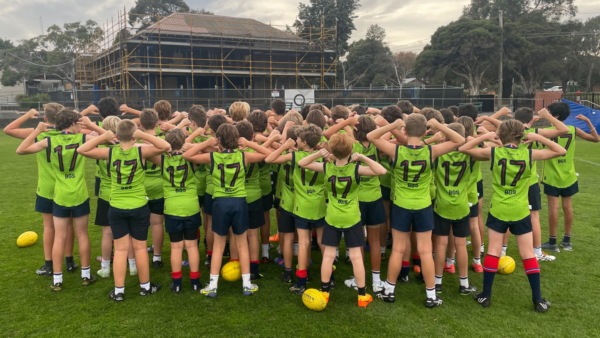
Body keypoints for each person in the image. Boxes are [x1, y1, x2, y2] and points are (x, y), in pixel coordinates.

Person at [460, 120, 566, 312]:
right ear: (521, 136)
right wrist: (538, 137)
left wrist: (484, 136)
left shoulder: (493, 152)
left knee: (493, 250)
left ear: (500, 135)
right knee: (527, 253)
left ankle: (486, 296)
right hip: (520, 210)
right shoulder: (529, 154)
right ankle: (538, 300)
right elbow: (561, 151)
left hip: (499, 209)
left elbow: (464, 149)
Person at [368, 114, 465, 308]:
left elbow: (371, 136)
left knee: (397, 249)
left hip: (402, 205)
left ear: (404, 131)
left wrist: (391, 125)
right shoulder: (431, 151)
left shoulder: (396, 150)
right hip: (423, 206)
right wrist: (439, 125)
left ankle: (390, 290)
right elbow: (460, 140)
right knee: (425, 251)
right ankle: (431, 295)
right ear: (424, 132)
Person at [77, 120, 170, 301]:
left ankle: (119, 291)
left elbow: (81, 150)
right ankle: (145, 287)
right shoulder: (140, 150)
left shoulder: (109, 153)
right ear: (134, 136)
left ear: (117, 136)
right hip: (138, 206)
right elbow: (165, 145)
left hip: (117, 206)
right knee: (140, 247)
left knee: (120, 250)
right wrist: (143, 136)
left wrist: (103, 137)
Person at [16, 111, 105, 291]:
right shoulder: (82, 138)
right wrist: (92, 124)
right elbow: (110, 138)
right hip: (79, 193)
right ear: (72, 123)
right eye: (78, 123)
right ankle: (86, 275)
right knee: (82, 235)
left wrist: (36, 130)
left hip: (60, 195)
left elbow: (21, 150)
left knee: (60, 237)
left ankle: (57, 279)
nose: (80, 125)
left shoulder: (49, 141)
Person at [299, 133, 387, 307]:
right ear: (351, 150)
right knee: (356, 257)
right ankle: (362, 295)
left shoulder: (327, 167)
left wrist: (319, 153)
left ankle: (325, 292)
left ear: (331, 150)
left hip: (332, 217)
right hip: (352, 217)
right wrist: (362, 157)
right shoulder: (356, 168)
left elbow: (302, 163)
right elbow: (381, 171)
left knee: (329, 255)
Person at [183, 124, 271, 298]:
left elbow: (187, 155)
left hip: (220, 203)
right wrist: (248, 143)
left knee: (218, 245)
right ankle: (247, 284)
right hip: (239, 202)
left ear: (219, 140)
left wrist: (207, 143)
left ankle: (213, 285)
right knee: (242, 244)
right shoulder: (244, 156)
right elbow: (268, 155)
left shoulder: (213, 157)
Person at [4, 104, 77, 276]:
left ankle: (49, 264)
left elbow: (8, 129)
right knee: (68, 225)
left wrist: (28, 115)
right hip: (67, 187)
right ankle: (70, 261)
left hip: (46, 188)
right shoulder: (73, 135)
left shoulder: (39, 135)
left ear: (45, 119)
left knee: (49, 226)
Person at [508, 107, 569, 261]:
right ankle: (536, 251)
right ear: (530, 120)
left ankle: (501, 251)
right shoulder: (535, 134)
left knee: (507, 215)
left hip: (510, 180)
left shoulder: (508, 133)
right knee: (534, 216)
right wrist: (547, 116)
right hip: (529, 181)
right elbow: (564, 129)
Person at [146, 129, 202, 294]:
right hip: (191, 205)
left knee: (176, 248)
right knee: (192, 246)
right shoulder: (191, 157)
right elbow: (211, 149)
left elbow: (145, 149)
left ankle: (177, 283)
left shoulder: (162, 160)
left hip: (172, 207)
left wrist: (162, 147)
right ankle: (195, 282)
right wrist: (191, 146)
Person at [541, 102, 599, 252]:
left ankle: (552, 242)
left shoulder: (546, 131)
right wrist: (587, 121)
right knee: (568, 207)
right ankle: (567, 241)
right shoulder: (573, 130)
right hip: (569, 176)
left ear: (555, 116)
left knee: (553, 208)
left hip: (552, 175)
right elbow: (596, 139)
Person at [432, 123, 478, 296]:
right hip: (461, 205)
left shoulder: (438, 153)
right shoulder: (469, 155)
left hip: (442, 204)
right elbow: (488, 148)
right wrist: (474, 140)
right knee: (460, 245)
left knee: (441, 244)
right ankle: (464, 283)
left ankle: (437, 282)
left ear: (445, 137)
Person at [343, 115, 387, 294]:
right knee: (374, 241)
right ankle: (376, 281)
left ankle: (357, 278)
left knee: (358, 241)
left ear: (356, 129)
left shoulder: (353, 146)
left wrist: (347, 125)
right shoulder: (378, 145)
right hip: (375, 197)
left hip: (358, 199)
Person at [93, 116, 138, 279]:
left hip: (106, 193)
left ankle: (105, 267)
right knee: (130, 234)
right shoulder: (129, 148)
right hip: (123, 193)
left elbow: (83, 148)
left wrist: (99, 136)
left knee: (107, 233)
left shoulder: (100, 146)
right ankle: (132, 265)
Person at [236, 121, 280, 280]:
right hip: (254, 196)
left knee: (238, 234)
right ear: (252, 136)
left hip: (238, 196)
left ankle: (237, 264)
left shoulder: (232, 152)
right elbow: (268, 154)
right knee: (253, 235)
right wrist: (253, 143)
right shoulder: (252, 152)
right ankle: (254, 269)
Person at [265, 124, 302, 284]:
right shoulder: (308, 157)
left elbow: (269, 158)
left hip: (286, 202)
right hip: (303, 202)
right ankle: (303, 269)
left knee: (286, 238)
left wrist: (283, 147)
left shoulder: (285, 157)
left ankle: (288, 271)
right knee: (303, 238)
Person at [247, 111, 277, 264]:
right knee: (265, 217)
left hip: (248, 188)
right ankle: (265, 253)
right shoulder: (268, 140)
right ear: (265, 125)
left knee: (246, 220)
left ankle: (245, 249)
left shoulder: (245, 140)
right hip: (264, 184)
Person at [138, 109, 166, 268]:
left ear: (140, 125)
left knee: (140, 224)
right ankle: (157, 256)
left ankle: (137, 255)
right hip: (159, 185)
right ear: (157, 123)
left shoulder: (135, 143)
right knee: (156, 224)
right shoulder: (163, 141)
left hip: (141, 185)